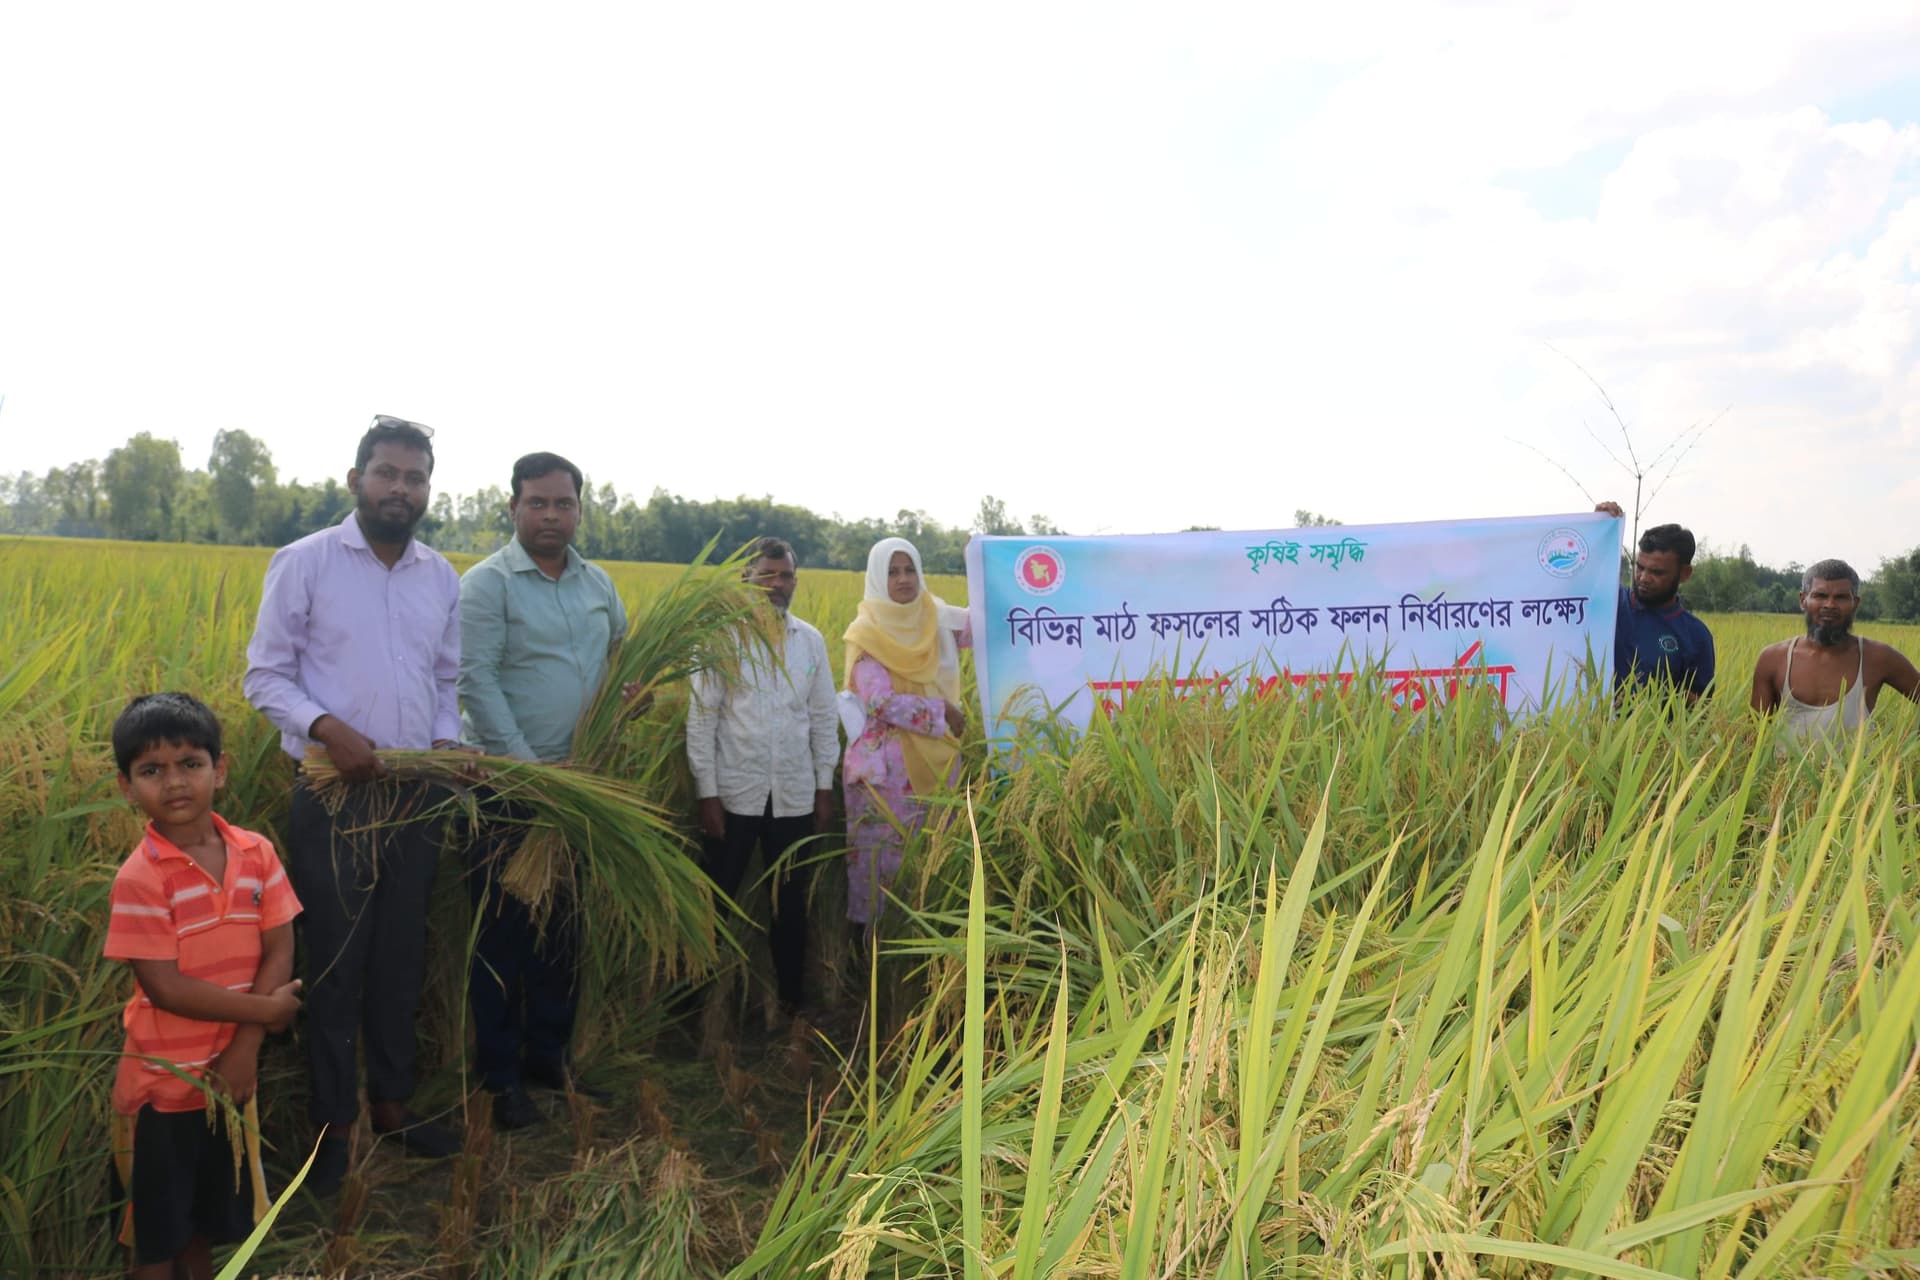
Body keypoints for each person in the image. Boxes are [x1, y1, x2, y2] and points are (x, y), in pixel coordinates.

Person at [242, 414, 463, 1195]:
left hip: (416, 795)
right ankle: (332, 1131)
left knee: (402, 955)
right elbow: (264, 676)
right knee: (336, 962)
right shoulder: (305, 562)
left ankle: (393, 1105)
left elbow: (446, 681)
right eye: (387, 473)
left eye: (415, 477)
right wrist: (328, 729)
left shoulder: (440, 576)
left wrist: (446, 744)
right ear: (355, 481)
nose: (400, 489)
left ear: (428, 489)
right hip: (334, 795)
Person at [103, 693, 304, 1280]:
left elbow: (279, 947)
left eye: (190, 763)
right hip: (163, 1089)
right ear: (126, 786)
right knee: (156, 1240)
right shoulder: (141, 878)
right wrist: (266, 1011)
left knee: (207, 1228)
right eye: (152, 770)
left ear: (220, 770)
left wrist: (244, 1049)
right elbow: (165, 989)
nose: (174, 782)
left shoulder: (256, 853)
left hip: (229, 1082)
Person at [458, 452, 626, 1128]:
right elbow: (476, 681)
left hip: (582, 785)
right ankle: (500, 1079)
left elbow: (620, 656)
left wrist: (624, 704)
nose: (551, 516)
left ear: (580, 509)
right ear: (514, 508)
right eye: (537, 503)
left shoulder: (598, 583)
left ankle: (549, 1058)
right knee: (503, 936)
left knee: (564, 931)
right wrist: (532, 773)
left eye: (563, 504)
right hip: (507, 789)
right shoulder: (487, 584)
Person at [685, 536, 839, 1014]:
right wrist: (708, 795)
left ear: (796, 581)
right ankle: (690, 1006)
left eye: (785, 575)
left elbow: (823, 717)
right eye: (766, 575)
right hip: (734, 793)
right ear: (745, 579)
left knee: (789, 904)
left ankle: (791, 1004)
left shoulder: (809, 641)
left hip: (793, 794)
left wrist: (823, 787)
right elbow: (702, 721)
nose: (777, 584)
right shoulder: (719, 640)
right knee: (716, 899)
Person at [839, 537, 970, 929]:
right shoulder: (866, 631)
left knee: (933, 862)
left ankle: (927, 948)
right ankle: (873, 953)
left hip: (938, 760)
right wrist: (942, 711)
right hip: (886, 775)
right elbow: (879, 702)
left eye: (910, 569)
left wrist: (978, 563)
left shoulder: (936, 617)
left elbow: (986, 626)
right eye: (892, 572)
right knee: (882, 867)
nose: (903, 579)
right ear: (878, 577)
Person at [1750, 558, 1920, 742]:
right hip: (1784, 761)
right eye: (1820, 596)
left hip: (1858, 762)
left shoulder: (1878, 657)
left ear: (1855, 603)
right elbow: (1755, 734)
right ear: (1803, 600)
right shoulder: (1773, 659)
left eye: (1841, 597)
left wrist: (1907, 745)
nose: (1830, 605)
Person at [1595, 502, 1715, 701]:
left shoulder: (1696, 636)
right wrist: (1597, 527)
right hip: (1595, 720)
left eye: (1657, 572)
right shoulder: (1611, 603)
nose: (1643, 578)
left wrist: (1658, 693)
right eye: (1640, 567)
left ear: (1684, 574)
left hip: (1654, 722)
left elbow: (1702, 705)